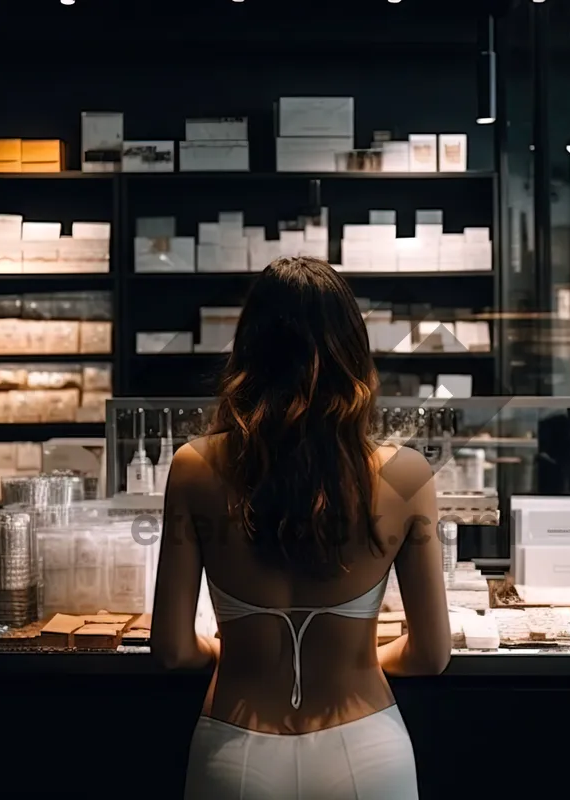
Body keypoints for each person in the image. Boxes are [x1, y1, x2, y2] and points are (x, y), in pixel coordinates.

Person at [152, 256, 452, 799]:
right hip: (368, 754)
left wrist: (226, 649)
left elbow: (172, 650)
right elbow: (431, 655)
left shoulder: (194, 467)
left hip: (236, 752)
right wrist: (358, 656)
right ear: (353, 353)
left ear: (247, 350)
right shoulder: (406, 474)